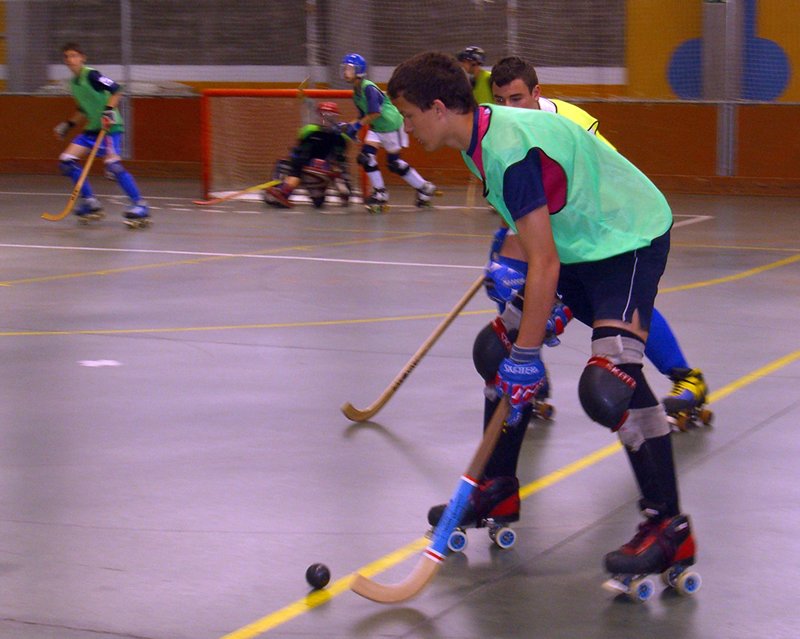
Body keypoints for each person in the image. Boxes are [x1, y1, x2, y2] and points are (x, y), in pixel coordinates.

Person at [387, 52, 697, 584]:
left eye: (410, 116)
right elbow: (533, 231)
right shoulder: (478, 138)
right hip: (577, 244)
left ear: (438, 108)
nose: (408, 128)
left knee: (608, 385)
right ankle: (498, 488)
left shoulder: (505, 151)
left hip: (627, 239)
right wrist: (509, 279)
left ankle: (669, 527)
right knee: (495, 350)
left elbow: (545, 262)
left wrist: (528, 355)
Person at [488, 56, 709, 428]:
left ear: (536, 93)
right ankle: (532, 378)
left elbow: (602, 182)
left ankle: (687, 377)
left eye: (516, 99)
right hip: (563, 228)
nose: (508, 109)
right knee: (508, 283)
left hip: (608, 226)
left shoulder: (570, 124)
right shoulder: (503, 130)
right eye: (500, 100)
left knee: (617, 310)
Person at [54, 42, 149, 228]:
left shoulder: (92, 75)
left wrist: (108, 112)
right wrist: (68, 125)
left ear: (82, 58)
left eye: (74, 55)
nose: (70, 60)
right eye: (67, 56)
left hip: (109, 129)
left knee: (113, 166)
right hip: (92, 129)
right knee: (66, 161)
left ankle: (140, 204)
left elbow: (117, 89)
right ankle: (90, 201)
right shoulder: (74, 83)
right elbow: (83, 109)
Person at [339, 53, 437, 213]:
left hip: (391, 124)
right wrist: (347, 126)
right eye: (344, 68)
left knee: (394, 164)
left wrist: (356, 126)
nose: (345, 72)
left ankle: (424, 187)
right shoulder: (356, 93)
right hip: (377, 127)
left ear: (359, 70)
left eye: (349, 68)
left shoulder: (368, 88)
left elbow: (375, 113)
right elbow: (363, 115)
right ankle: (380, 193)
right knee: (365, 158)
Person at [264, 101, 352, 209]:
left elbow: (300, 152)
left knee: (286, 165)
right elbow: (340, 158)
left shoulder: (309, 130)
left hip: (309, 170)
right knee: (319, 200)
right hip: (323, 174)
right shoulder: (342, 136)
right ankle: (341, 190)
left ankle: (283, 192)